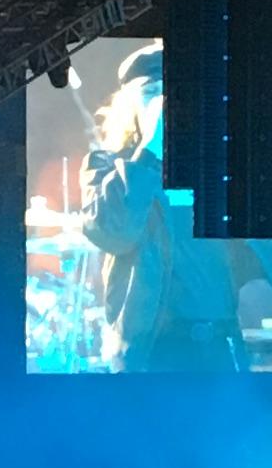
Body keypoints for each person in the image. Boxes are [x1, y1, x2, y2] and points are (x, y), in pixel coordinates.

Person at [81, 45, 254, 369]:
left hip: (218, 349)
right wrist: (150, 149)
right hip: (148, 353)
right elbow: (112, 232)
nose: (164, 105)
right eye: (151, 92)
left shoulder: (218, 165)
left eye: (173, 93)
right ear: (128, 104)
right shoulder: (106, 166)